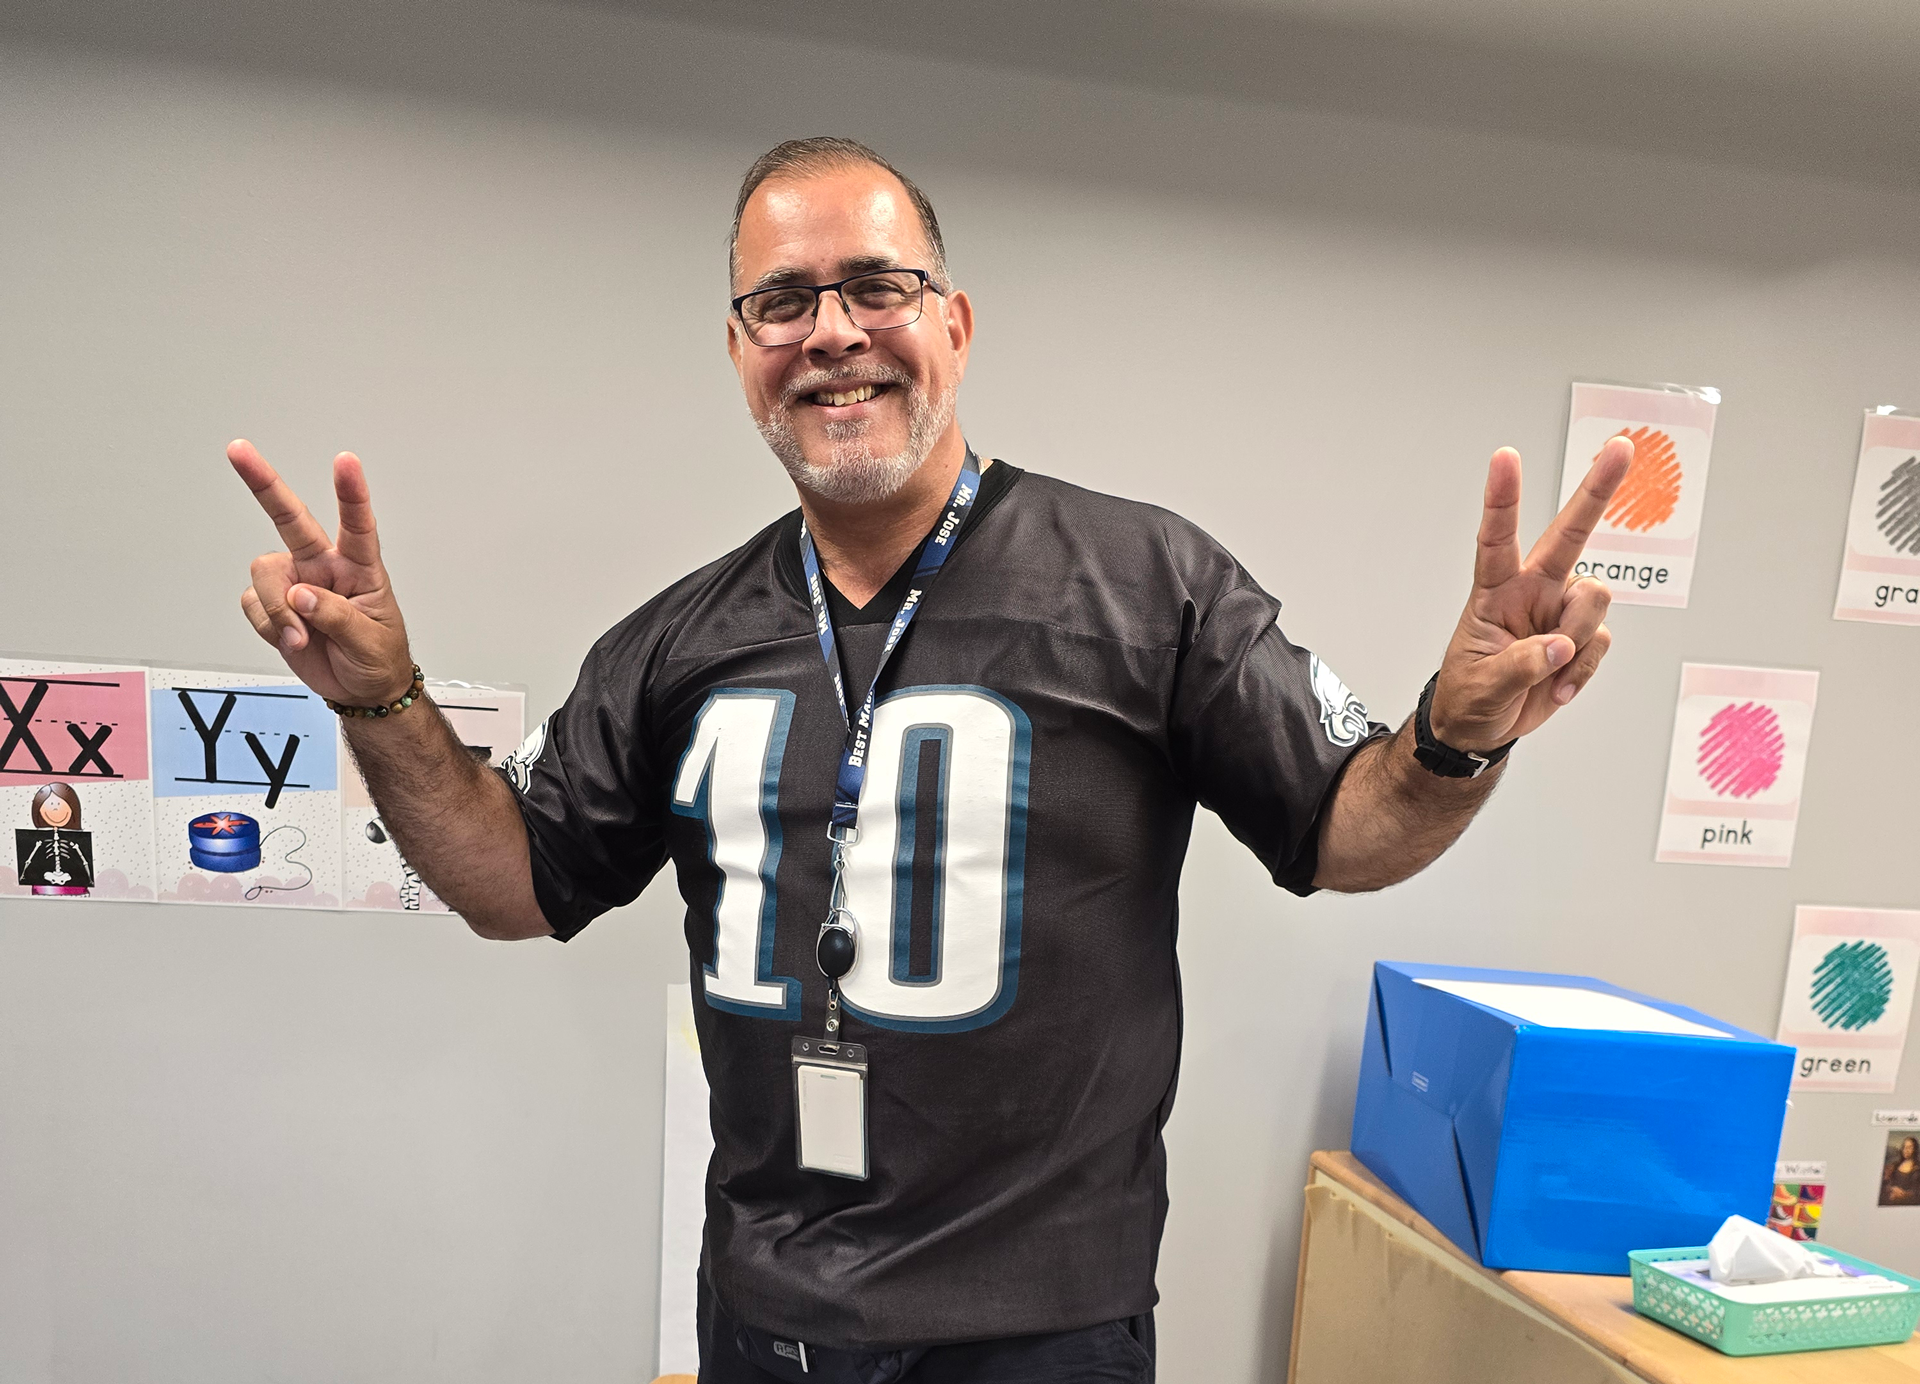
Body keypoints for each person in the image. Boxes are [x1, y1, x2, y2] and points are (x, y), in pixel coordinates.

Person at [228, 137, 1627, 1382]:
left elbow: (1346, 828)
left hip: (1044, 1329)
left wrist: (1458, 735)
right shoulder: (676, 641)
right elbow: (511, 884)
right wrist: (385, 701)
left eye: (875, 286)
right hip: (766, 1317)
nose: (832, 330)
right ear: (739, 350)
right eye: (783, 301)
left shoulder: (1148, 584)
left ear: (951, 322)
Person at [1883, 1136, 1920, 1207]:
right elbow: (1888, 1182)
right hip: (1893, 1200)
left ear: (1915, 1149)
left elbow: (1917, 1191)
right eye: (1904, 1147)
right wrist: (1892, 1189)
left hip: (1909, 1203)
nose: (1906, 1150)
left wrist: (1905, 1194)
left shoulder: (1917, 1168)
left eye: (1909, 1147)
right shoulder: (1896, 1165)